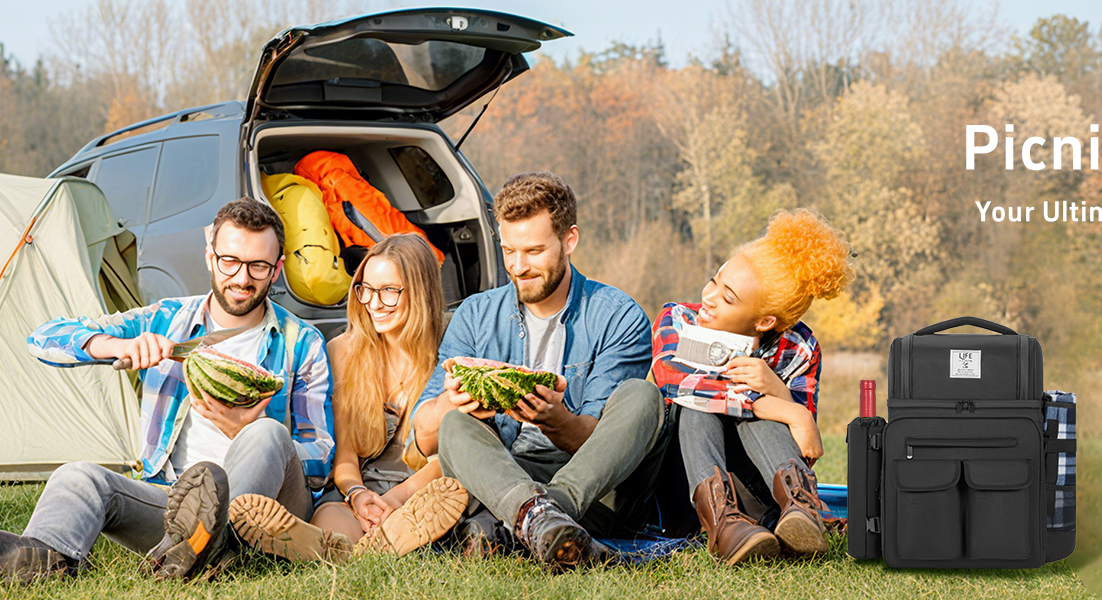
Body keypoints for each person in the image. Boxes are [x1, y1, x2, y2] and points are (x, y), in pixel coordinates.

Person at [2, 199, 333, 583]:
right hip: (174, 506)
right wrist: (115, 345)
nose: (242, 278)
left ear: (276, 269)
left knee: (268, 433)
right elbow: (42, 339)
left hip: (261, 509)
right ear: (210, 257)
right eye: (230, 261)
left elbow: (321, 455)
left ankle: (213, 544)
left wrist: (245, 430)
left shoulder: (303, 343)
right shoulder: (166, 320)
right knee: (78, 476)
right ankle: (44, 556)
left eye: (258, 266)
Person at [408, 172, 668, 570]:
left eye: (533, 251)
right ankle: (534, 521)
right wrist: (451, 402)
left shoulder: (618, 315)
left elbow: (603, 444)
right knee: (454, 425)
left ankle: (532, 518)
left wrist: (556, 420)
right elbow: (423, 439)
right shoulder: (475, 314)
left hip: (591, 490)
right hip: (504, 473)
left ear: (570, 241)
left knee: (643, 396)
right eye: (508, 250)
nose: (518, 266)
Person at [227, 234, 468, 562]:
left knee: (424, 510)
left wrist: (396, 499)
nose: (374, 303)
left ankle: (386, 536)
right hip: (360, 485)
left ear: (421, 292)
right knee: (331, 525)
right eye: (366, 289)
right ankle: (332, 544)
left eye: (389, 291)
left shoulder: (452, 352)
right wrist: (357, 494)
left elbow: (455, 451)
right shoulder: (342, 351)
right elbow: (343, 452)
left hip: (423, 491)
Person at [651, 209, 852, 565]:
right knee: (696, 409)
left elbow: (802, 448)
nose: (708, 297)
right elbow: (678, 384)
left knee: (756, 409)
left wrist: (780, 391)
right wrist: (789, 409)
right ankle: (723, 524)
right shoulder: (677, 321)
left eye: (728, 298)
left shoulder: (799, 348)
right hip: (685, 482)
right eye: (714, 281)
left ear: (764, 320)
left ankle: (799, 511)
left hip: (759, 487)